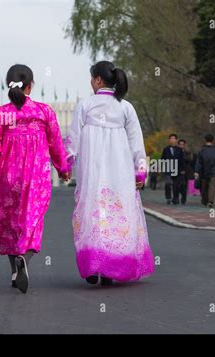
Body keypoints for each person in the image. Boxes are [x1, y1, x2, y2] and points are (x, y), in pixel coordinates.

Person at [0, 64, 70, 294]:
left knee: (9, 221)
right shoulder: (44, 112)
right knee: (32, 219)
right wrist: (62, 167)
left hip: (9, 175)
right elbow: (56, 142)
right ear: (31, 85)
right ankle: (23, 259)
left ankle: (15, 272)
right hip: (36, 175)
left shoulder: (0, 114)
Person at [65, 60, 155, 286]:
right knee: (118, 213)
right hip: (119, 170)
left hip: (92, 171)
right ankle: (111, 268)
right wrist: (140, 171)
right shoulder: (125, 107)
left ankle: (94, 266)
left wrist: (66, 164)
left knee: (92, 212)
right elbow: (136, 142)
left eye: (91, 78)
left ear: (97, 80)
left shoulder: (85, 105)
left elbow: (73, 138)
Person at [195, 134, 215, 208]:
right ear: (212, 140)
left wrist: (196, 171)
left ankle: (205, 200)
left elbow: (198, 162)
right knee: (212, 187)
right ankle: (210, 201)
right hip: (214, 171)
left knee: (204, 187)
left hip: (203, 171)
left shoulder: (202, 150)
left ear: (205, 140)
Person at [161, 134, 184, 204]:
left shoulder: (179, 150)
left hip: (177, 170)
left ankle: (175, 198)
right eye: (171, 138)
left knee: (176, 185)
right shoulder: (166, 149)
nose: (172, 140)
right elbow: (162, 159)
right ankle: (168, 197)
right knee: (168, 183)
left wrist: (182, 170)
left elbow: (182, 160)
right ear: (169, 140)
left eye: (174, 138)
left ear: (176, 140)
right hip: (168, 169)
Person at [178, 139, 194, 204]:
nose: (181, 145)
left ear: (184, 145)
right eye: (180, 144)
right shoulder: (175, 152)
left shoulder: (187, 152)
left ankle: (183, 198)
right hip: (177, 171)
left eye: (183, 144)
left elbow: (190, 159)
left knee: (184, 185)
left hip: (186, 171)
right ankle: (178, 195)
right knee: (177, 185)